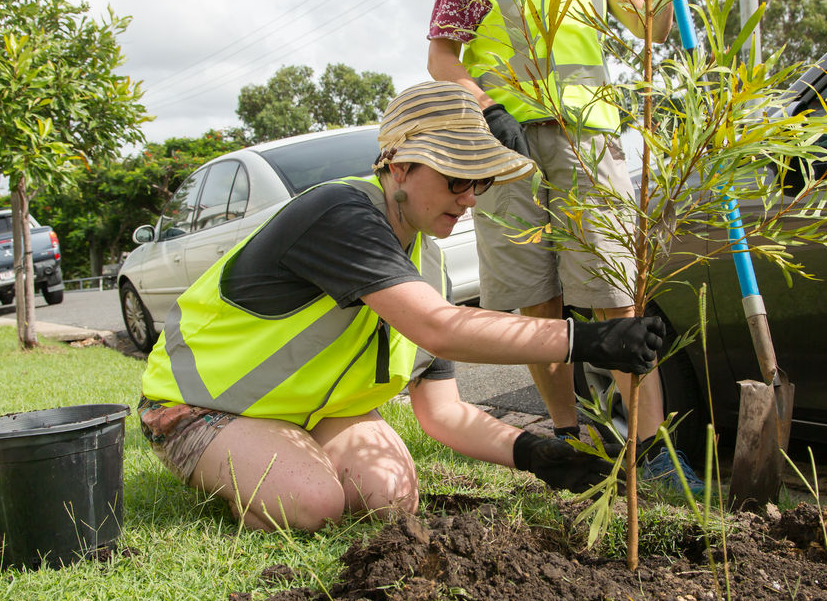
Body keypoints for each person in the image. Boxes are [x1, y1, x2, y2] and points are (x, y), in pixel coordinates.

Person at [138, 82, 671, 532]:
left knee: (393, 498)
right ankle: (242, 469)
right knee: (313, 504)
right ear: (397, 168)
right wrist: (589, 340)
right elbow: (439, 328)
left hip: (316, 414)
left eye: (480, 182)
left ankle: (288, 454)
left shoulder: (427, 261)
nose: (470, 198)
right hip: (203, 406)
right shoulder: (339, 213)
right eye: (456, 178)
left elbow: (443, 412)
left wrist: (530, 453)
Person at [425, 0, 702, 490]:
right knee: (536, 307)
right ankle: (571, 440)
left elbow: (652, 27)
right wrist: (488, 110)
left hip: (589, 139)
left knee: (615, 297)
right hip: (505, 146)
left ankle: (651, 453)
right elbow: (441, 59)